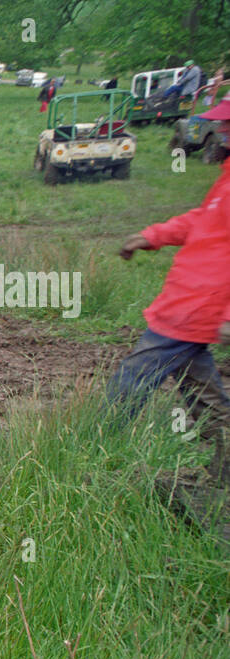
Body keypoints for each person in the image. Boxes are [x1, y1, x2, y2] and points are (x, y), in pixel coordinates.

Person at [108, 95, 230, 486]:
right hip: (189, 303)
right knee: (202, 392)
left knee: (132, 379)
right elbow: (203, 221)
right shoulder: (227, 177)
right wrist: (153, 235)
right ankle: (223, 467)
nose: (221, 129)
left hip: (194, 308)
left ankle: (93, 447)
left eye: (228, 123)